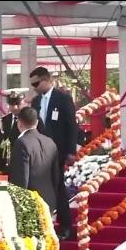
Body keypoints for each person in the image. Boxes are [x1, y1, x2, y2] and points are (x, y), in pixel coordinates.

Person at [9, 107, 59, 250]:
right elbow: (56, 177)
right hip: (49, 200)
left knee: (31, 243)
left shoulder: (22, 143)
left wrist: (17, 201)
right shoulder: (51, 143)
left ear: (20, 122)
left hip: (30, 200)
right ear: (37, 122)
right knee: (44, 242)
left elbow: (21, 178)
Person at [29, 67, 77, 240]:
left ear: (47, 79)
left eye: (37, 83)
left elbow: (71, 125)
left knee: (57, 186)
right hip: (39, 151)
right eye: (32, 84)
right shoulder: (36, 102)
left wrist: (71, 151)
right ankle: (43, 224)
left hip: (58, 150)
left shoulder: (62, 98)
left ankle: (65, 226)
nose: (34, 87)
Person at [0, 94, 23, 173]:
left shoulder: (29, 119)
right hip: (5, 164)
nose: (15, 107)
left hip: (20, 165)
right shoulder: (4, 120)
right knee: (1, 185)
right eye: (12, 104)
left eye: (18, 104)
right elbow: (1, 145)